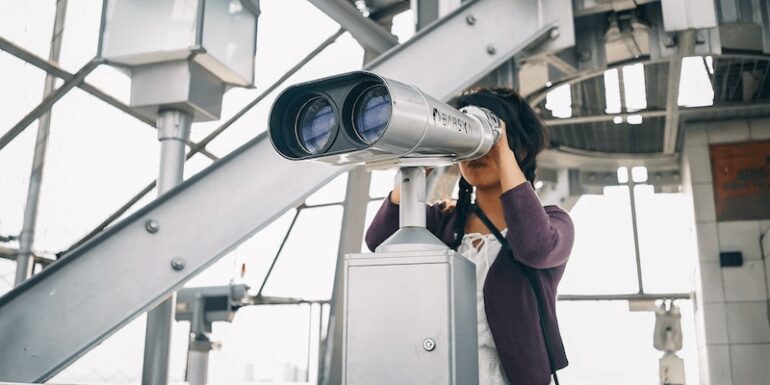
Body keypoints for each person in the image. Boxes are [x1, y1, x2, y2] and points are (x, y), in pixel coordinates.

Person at [364, 87, 575, 385]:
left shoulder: (555, 223)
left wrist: (501, 148)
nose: (476, 152)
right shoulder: (445, 222)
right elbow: (379, 240)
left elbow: (534, 247)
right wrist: (423, 154)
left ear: (521, 150)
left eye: (486, 140)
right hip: (439, 372)